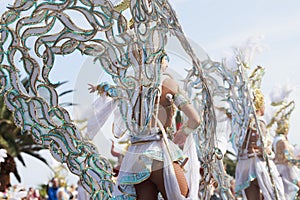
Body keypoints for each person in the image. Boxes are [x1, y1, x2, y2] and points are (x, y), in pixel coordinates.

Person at [88, 51, 201, 199]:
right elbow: (195, 119)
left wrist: (99, 87)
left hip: (135, 159)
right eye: (165, 61)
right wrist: (183, 132)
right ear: (160, 62)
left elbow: (108, 89)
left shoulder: (128, 88)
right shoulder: (168, 84)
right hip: (159, 154)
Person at [234, 89, 285, 200]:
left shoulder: (242, 123)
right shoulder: (259, 122)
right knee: (276, 194)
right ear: (260, 105)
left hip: (243, 165)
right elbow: (262, 147)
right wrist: (270, 152)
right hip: (258, 164)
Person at [272, 108, 300, 200]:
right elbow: (287, 158)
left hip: (277, 168)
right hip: (286, 170)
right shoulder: (282, 141)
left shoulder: (275, 140)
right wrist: (298, 160)